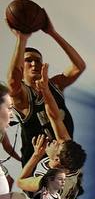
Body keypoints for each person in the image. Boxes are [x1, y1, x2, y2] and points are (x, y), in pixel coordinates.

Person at [8, 16, 86, 165]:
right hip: (37, 167)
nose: (34, 63)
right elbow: (13, 81)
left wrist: (52, 33)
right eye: (29, 60)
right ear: (21, 66)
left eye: (38, 60)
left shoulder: (54, 84)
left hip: (65, 161)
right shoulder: (21, 94)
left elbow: (79, 66)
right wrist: (21, 39)